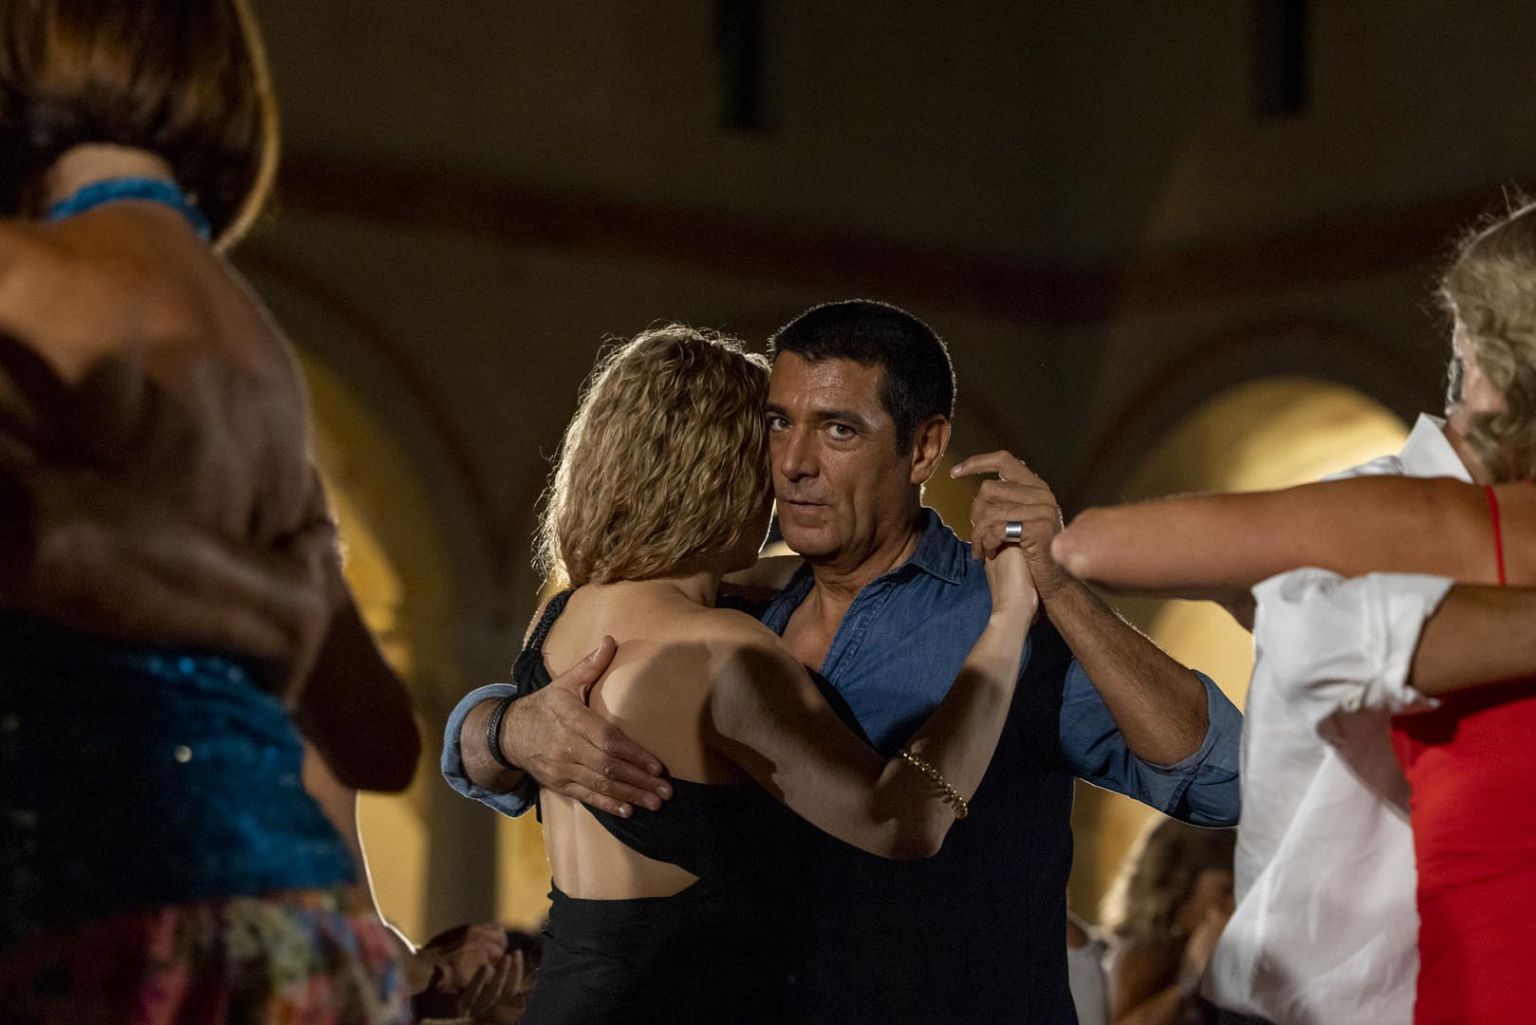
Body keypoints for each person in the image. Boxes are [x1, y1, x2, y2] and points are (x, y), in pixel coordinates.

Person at [445, 300, 1243, 1023]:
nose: (794, 462)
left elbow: (1224, 781)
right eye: (776, 423)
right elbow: (502, 755)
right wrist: (504, 727)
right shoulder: (728, 610)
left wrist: (1056, 590)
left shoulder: (998, 613)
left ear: (924, 447)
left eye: (838, 430)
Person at [0, 2, 422, 1020]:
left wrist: (263, 609)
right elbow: (379, 740)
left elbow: (35, 538)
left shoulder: (16, 275)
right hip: (308, 946)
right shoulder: (259, 351)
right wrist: (283, 601)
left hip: (105, 929)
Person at [1052, 202, 1536, 1025]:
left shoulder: (1424, 521)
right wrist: (1268, 595)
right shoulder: (1417, 516)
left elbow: (1096, 547)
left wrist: (1278, 597)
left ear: (1478, 350)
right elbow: (1093, 548)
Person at [1098, 819, 1236, 1025]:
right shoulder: (1140, 954)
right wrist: (1192, 975)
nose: (1235, 904)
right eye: (1225, 890)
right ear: (1183, 885)